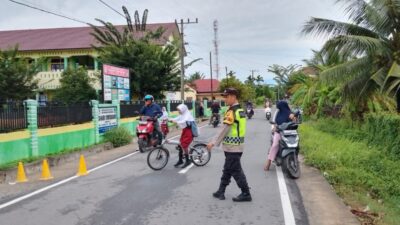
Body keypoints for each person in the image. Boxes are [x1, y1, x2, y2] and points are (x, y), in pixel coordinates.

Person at [207, 88, 252, 202]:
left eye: (226, 97)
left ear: (233, 97)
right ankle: (221, 191)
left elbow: (225, 129)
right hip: (236, 146)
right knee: (227, 169)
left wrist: (213, 142)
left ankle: (246, 193)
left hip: (232, 147)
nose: (225, 99)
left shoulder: (232, 111)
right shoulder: (240, 110)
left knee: (236, 170)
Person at [264, 100, 295, 171]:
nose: (279, 108)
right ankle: (268, 162)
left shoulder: (290, 113)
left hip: (290, 132)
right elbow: (275, 123)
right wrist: (275, 128)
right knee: (275, 145)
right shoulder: (278, 113)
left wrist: (293, 118)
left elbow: (294, 121)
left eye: (280, 107)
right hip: (279, 132)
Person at [170, 104, 195, 168]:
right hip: (185, 131)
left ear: (183, 109)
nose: (179, 111)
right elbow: (177, 118)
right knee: (180, 144)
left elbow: (184, 121)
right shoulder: (182, 115)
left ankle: (187, 161)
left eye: (179, 110)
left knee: (184, 145)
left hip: (189, 132)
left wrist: (176, 122)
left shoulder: (188, 115)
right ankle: (180, 160)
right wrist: (170, 119)